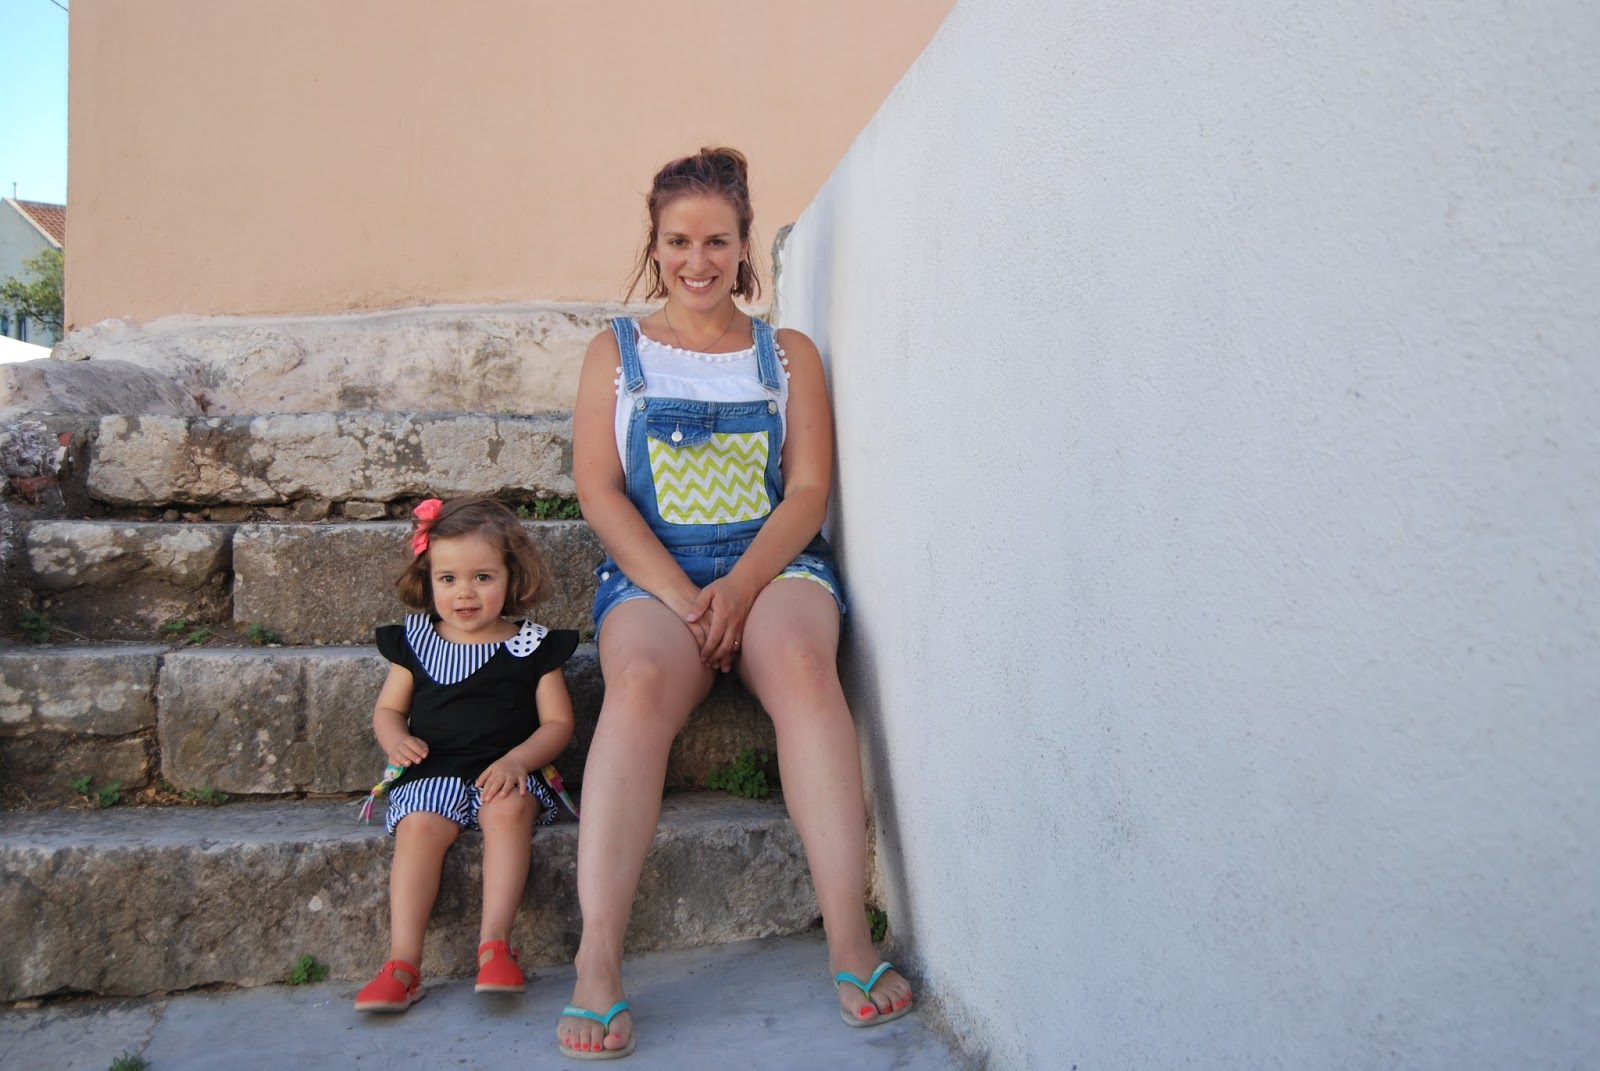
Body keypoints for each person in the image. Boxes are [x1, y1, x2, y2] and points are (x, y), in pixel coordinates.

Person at [557, 147, 913, 1060]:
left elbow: (808, 491)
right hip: (656, 572)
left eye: (717, 240)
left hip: (770, 563)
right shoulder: (614, 354)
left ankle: (849, 940)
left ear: (745, 244)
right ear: (655, 244)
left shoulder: (785, 356)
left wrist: (742, 587)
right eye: (678, 241)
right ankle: (598, 958)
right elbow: (599, 491)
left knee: (803, 661)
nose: (698, 260)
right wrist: (684, 597)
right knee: (638, 679)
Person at [354, 496, 577, 1013]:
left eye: (482, 577)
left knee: (510, 810)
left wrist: (519, 761)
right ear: (428, 579)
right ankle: (403, 963)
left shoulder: (533, 646)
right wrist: (395, 740)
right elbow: (388, 710)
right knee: (418, 826)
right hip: (432, 768)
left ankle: (495, 945)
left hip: (506, 768)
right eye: (448, 578)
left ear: (512, 576)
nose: (465, 592)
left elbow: (558, 723)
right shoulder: (415, 642)